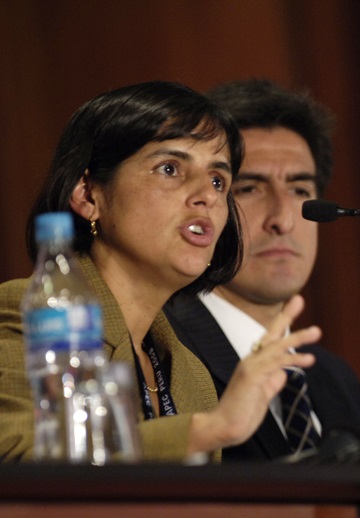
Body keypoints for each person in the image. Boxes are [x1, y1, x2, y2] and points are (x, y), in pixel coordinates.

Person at [0, 81, 321, 462]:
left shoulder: (190, 374)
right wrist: (208, 430)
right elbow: (16, 454)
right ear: (88, 195)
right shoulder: (35, 313)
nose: (207, 194)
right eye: (170, 169)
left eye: (219, 180)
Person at [164, 79, 360, 462]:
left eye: (300, 190)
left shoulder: (335, 378)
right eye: (249, 188)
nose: (283, 219)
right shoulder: (163, 354)